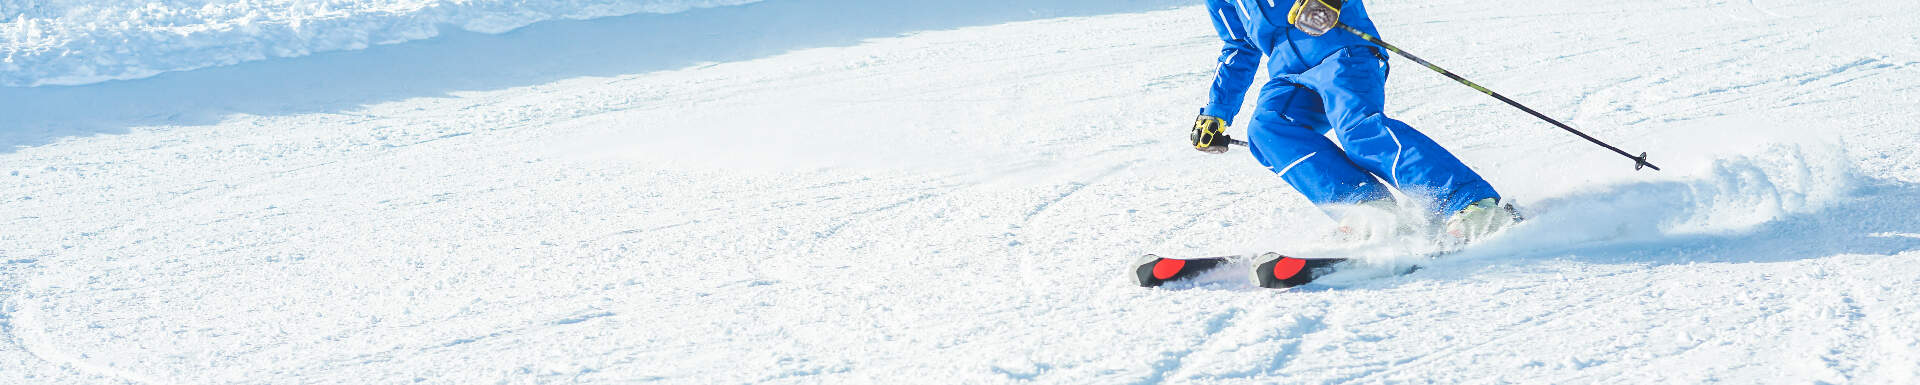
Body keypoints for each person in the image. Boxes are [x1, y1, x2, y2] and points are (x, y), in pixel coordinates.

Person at [1189, 0, 1515, 240]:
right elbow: (1239, 45)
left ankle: (1470, 203)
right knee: (1268, 129)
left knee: (1357, 128)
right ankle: (1368, 209)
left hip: (1341, 49)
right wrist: (1216, 112)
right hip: (1288, 72)